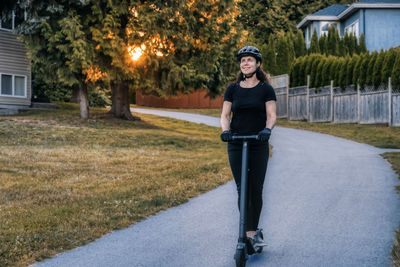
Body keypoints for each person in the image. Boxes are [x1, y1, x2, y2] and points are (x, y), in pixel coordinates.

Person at [220, 46, 277, 253]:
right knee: (242, 188)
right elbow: (225, 115)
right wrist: (226, 131)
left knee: (256, 188)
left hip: (258, 142)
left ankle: (253, 232)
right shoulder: (232, 89)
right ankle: (248, 234)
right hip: (236, 142)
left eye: (250, 60)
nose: (246, 63)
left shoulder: (266, 89)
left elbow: (271, 115)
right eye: (243, 60)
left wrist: (267, 130)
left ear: (258, 64)